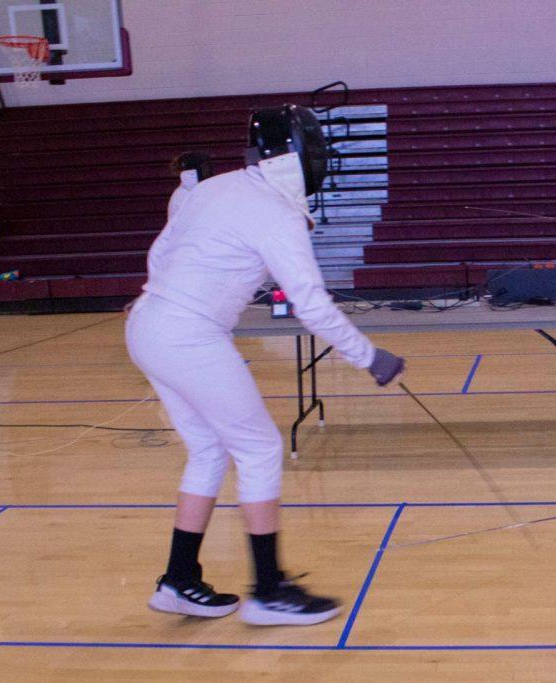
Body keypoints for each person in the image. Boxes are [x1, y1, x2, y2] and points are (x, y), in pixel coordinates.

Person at [126, 105, 405, 626]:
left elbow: (160, 255)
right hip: (187, 335)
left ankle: (179, 581)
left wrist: (177, 297)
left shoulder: (210, 188)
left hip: (147, 324)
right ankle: (269, 593)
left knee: (210, 449)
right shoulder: (275, 211)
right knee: (258, 448)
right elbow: (312, 304)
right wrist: (370, 357)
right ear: (299, 155)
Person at [168, 151, 215, 219]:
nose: (209, 170)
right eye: (205, 167)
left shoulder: (200, 189)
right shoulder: (184, 195)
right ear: (197, 169)